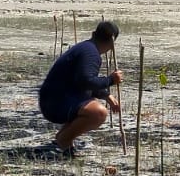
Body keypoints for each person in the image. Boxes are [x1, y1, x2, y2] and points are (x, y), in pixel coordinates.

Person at [35, 21, 122, 159]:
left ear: (94, 34)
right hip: (55, 104)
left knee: (91, 103)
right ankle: (64, 139)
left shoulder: (87, 48)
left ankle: (62, 137)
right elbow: (86, 81)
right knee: (98, 113)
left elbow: (80, 82)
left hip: (53, 100)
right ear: (112, 43)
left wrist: (106, 95)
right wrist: (111, 80)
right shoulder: (91, 54)